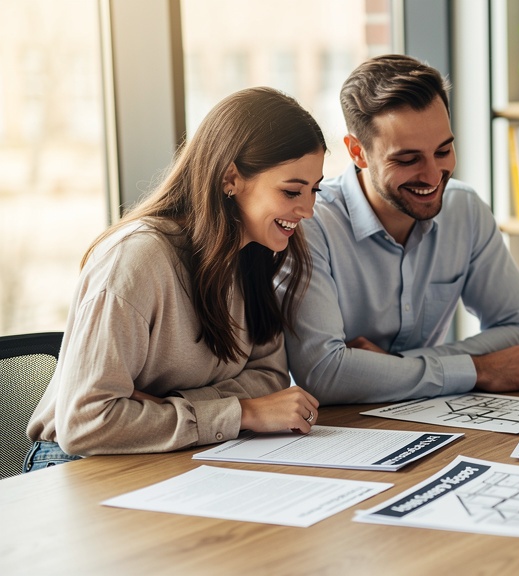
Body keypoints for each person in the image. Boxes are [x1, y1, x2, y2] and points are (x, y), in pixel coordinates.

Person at [24, 87, 326, 471]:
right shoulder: (136, 259)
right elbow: (86, 422)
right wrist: (240, 412)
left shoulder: (253, 254)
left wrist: (168, 406)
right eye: (291, 191)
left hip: (184, 449)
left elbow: (268, 376)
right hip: (80, 464)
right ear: (230, 178)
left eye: (314, 190)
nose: (309, 210)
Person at [283, 54, 519, 404]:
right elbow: (323, 374)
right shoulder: (310, 224)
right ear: (358, 152)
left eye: (443, 150)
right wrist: (476, 369)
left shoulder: (464, 209)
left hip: (427, 416)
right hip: (333, 434)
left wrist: (395, 366)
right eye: (407, 160)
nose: (434, 176)